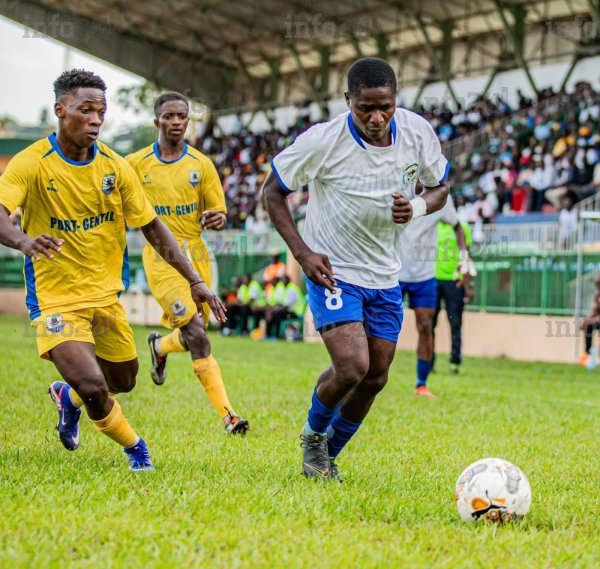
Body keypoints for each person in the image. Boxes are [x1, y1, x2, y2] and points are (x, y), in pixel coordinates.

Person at [0, 70, 226, 470]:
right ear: (60, 110)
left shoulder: (115, 167)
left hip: (105, 295)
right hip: (55, 298)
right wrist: (23, 241)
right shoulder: (31, 163)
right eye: (85, 110)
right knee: (92, 384)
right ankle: (137, 450)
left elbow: (152, 226)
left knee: (123, 381)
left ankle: (66, 397)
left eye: (101, 112)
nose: (95, 120)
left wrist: (195, 281)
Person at [263, 57, 450, 480]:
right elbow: (272, 192)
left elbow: (440, 187)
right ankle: (313, 438)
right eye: (366, 108)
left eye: (385, 106)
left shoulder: (417, 132)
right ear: (348, 100)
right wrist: (303, 253)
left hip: (385, 275)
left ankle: (327, 456)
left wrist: (416, 207)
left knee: (376, 376)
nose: (377, 117)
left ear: (395, 99)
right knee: (351, 366)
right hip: (334, 271)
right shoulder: (322, 141)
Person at [127, 92, 249, 435]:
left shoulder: (201, 164)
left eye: (182, 116)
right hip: (161, 257)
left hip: (196, 255)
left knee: (196, 332)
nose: (177, 121)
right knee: (196, 332)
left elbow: (219, 212)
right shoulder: (135, 163)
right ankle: (229, 416)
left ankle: (159, 346)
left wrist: (218, 218)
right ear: (157, 121)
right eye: (169, 116)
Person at [398, 188, 472, 398]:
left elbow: (457, 227)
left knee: (425, 325)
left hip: (425, 276)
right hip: (394, 273)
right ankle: (369, 377)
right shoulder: (397, 187)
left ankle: (421, 384)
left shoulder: (440, 197)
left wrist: (464, 260)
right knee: (383, 326)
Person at [432, 219, 474, 375]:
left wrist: (469, 285)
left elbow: (467, 255)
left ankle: (455, 361)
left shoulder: (462, 227)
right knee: (429, 323)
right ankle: (428, 361)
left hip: (455, 281)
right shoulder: (432, 225)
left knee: (455, 323)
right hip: (432, 280)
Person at [579, 275, 600, 366]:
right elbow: (594, 312)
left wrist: (595, 319)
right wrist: (588, 319)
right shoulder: (597, 296)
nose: (597, 285)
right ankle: (588, 354)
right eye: (596, 283)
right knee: (587, 325)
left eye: (598, 283)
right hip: (597, 321)